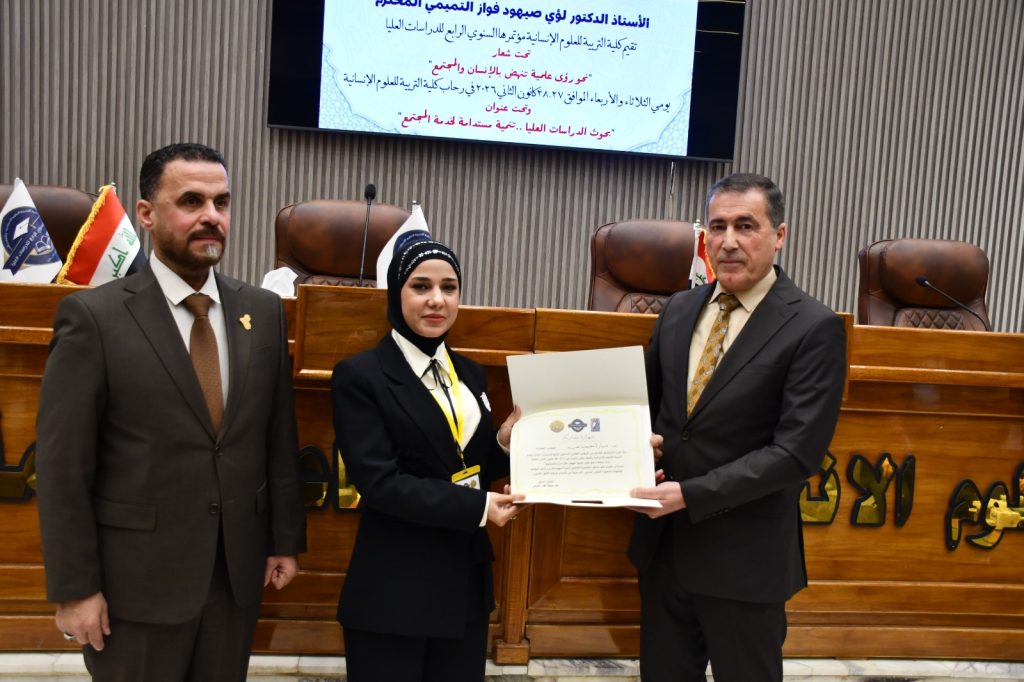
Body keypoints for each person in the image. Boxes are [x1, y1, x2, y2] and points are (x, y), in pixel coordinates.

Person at [35, 142, 307, 681]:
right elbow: (63, 468)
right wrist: (75, 589)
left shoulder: (262, 311)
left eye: (221, 202)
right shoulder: (94, 318)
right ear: (146, 213)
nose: (211, 216)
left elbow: (276, 437)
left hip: (234, 578)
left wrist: (284, 541)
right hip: (135, 587)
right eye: (191, 201)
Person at [628, 173, 847, 682]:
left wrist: (691, 495)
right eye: (717, 226)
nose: (728, 241)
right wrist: (633, 446)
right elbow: (646, 412)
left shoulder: (813, 327)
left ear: (780, 235)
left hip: (746, 561)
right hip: (665, 553)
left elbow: (796, 453)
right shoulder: (678, 310)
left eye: (745, 226)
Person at [330, 234, 522, 682]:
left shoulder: (470, 373)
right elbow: (380, 484)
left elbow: (468, 465)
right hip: (395, 590)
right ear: (396, 293)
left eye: (449, 287)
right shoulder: (360, 376)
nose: (437, 300)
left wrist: (505, 443)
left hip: (465, 586)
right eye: (421, 286)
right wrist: (480, 507)